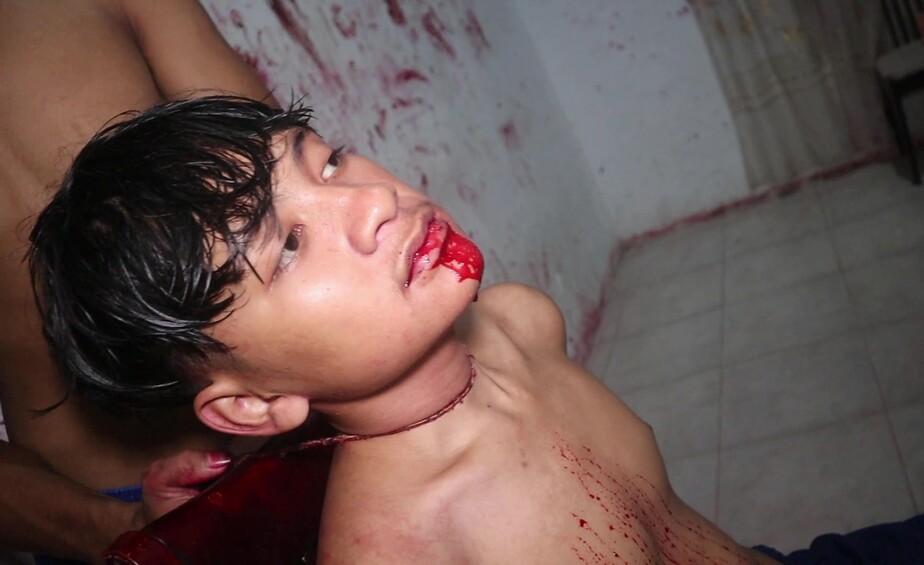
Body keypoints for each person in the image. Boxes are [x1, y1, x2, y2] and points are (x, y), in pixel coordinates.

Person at [28, 95, 779, 564]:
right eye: (286, 247)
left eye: (328, 163)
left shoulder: (521, 321)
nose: (373, 200)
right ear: (251, 403)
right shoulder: (396, 547)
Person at [0, 1, 279, 561]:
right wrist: (124, 531)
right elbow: (291, 189)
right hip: (105, 518)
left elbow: (290, 182)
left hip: (274, 454)